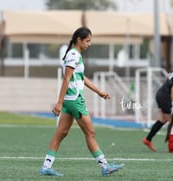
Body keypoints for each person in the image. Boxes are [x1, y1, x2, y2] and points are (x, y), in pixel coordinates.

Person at [39, 27, 124, 177]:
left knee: (61, 133)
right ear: (79, 40)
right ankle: (105, 166)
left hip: (69, 100)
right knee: (90, 132)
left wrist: (99, 92)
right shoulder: (73, 55)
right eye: (87, 41)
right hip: (74, 100)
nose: (89, 44)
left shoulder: (75, 55)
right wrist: (58, 103)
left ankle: (46, 166)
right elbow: (66, 79)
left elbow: (81, 78)